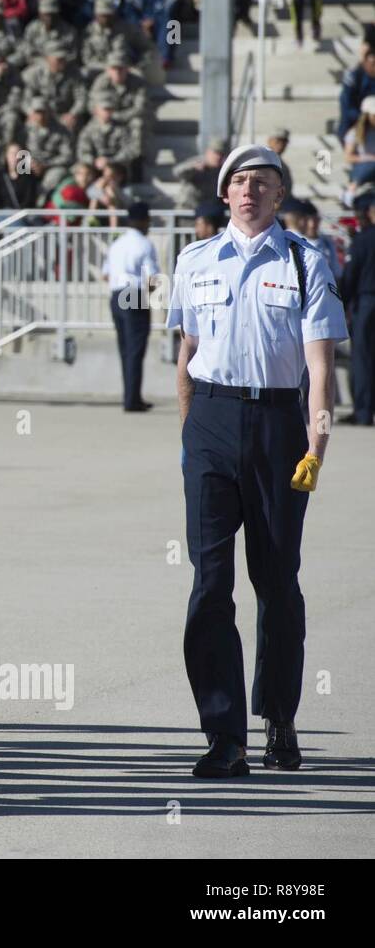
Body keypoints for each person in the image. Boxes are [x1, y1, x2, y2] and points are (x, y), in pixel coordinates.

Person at [168, 144, 348, 778]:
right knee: (209, 585)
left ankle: (279, 717)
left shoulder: (306, 261)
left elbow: (321, 368)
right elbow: (188, 351)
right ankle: (224, 735)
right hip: (212, 423)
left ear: (279, 195)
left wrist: (316, 446)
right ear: (224, 195)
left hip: (278, 425)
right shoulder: (193, 260)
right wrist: (192, 435)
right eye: (239, 181)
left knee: (276, 582)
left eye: (263, 182)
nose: (250, 191)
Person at [104, 201, 160, 412]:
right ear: (144, 221)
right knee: (136, 350)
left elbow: (105, 273)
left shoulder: (117, 243)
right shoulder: (145, 244)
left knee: (125, 350)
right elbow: (151, 278)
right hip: (134, 295)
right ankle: (132, 399)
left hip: (117, 294)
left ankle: (130, 395)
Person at [340, 193, 375, 425]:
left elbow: (350, 276)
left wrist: (341, 303)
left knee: (362, 358)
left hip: (368, 302)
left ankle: (363, 411)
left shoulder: (363, 240)